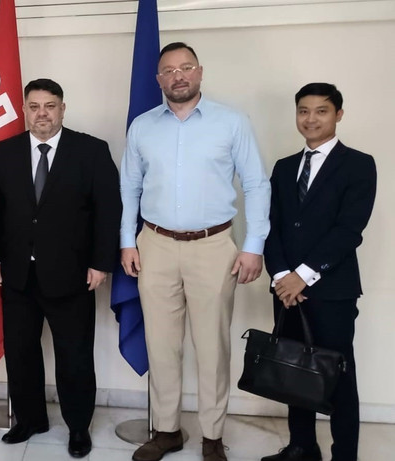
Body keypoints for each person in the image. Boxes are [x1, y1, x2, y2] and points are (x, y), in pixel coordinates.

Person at [120, 42, 271, 461]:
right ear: (158, 80)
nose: (178, 75)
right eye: (169, 70)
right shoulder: (143, 126)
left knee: (212, 346)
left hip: (213, 246)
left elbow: (257, 184)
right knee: (162, 345)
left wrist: (253, 246)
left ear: (200, 71)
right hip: (155, 246)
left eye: (186, 67)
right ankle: (167, 430)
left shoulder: (231, 122)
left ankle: (211, 435)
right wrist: (126, 240)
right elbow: (129, 187)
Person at [0, 78, 121, 459]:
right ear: (25, 110)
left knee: (74, 357)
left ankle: (78, 428)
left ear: (63, 108)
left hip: (73, 275)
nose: (41, 113)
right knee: (21, 352)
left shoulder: (91, 150)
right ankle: (30, 419)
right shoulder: (6, 151)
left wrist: (100, 263)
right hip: (17, 275)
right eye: (34, 106)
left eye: (49, 105)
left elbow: (108, 211)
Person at [261, 83, 376, 461]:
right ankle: (302, 446)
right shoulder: (283, 167)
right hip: (285, 290)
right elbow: (272, 226)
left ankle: (345, 454)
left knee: (337, 374)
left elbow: (349, 230)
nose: (310, 119)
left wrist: (303, 275)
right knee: (295, 370)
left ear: (338, 115)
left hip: (331, 290)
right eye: (303, 111)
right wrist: (280, 276)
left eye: (321, 111)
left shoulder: (359, 164)